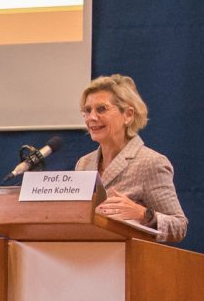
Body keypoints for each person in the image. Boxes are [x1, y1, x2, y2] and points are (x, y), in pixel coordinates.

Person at [74, 73, 186, 243]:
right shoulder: (83, 164)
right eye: (87, 110)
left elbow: (179, 227)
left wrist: (143, 214)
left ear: (128, 115)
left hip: (128, 257)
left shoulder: (151, 163)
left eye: (101, 109)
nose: (91, 117)